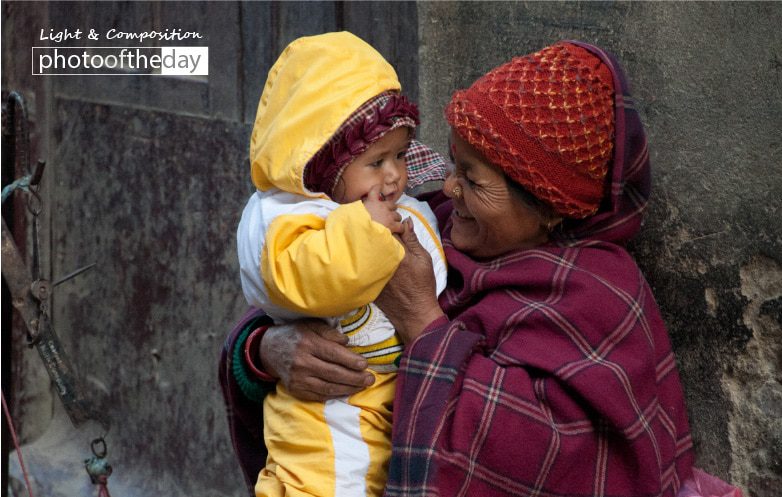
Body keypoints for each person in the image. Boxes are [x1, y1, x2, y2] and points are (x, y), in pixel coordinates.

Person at [221, 40, 696, 497]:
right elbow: (294, 291)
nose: (447, 188)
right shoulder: (428, 224)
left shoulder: (597, 295)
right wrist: (265, 351)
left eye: (472, 180)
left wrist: (422, 322)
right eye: (453, 164)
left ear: (550, 208)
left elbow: (556, 458)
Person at [235, 32, 447, 497]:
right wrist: (368, 234)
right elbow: (307, 276)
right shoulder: (284, 219)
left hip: (375, 405)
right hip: (324, 419)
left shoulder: (390, 204)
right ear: (324, 164)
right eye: (375, 161)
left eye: (400, 156)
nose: (393, 175)